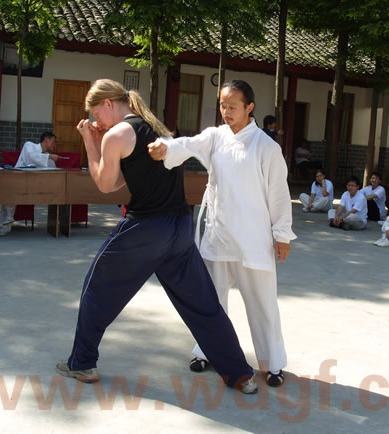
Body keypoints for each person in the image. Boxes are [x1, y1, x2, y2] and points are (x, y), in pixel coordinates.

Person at [56, 79, 257, 394]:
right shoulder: (156, 128)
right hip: (180, 227)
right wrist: (99, 142)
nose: (96, 122)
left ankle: (81, 362)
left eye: (96, 114)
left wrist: (89, 142)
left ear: (108, 103)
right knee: (203, 304)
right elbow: (124, 178)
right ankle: (239, 374)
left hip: (146, 229)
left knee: (96, 289)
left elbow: (105, 185)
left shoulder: (116, 135)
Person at [148, 80, 296, 387]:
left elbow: (279, 193)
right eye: (222, 105)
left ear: (249, 107)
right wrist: (165, 147)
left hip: (254, 238)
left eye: (232, 106)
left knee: (262, 302)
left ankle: (271, 363)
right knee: (210, 300)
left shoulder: (267, 147)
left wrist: (282, 234)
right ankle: (206, 350)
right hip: (219, 233)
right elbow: (187, 145)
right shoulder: (216, 137)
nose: (226, 111)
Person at [0, 132, 60, 236]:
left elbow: (53, 172)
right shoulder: (29, 145)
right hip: (18, 179)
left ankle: (8, 218)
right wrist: (49, 156)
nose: (54, 145)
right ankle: (5, 224)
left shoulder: (49, 158)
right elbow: (31, 158)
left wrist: (50, 158)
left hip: (34, 185)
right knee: (11, 186)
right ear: (46, 140)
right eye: (53, 142)